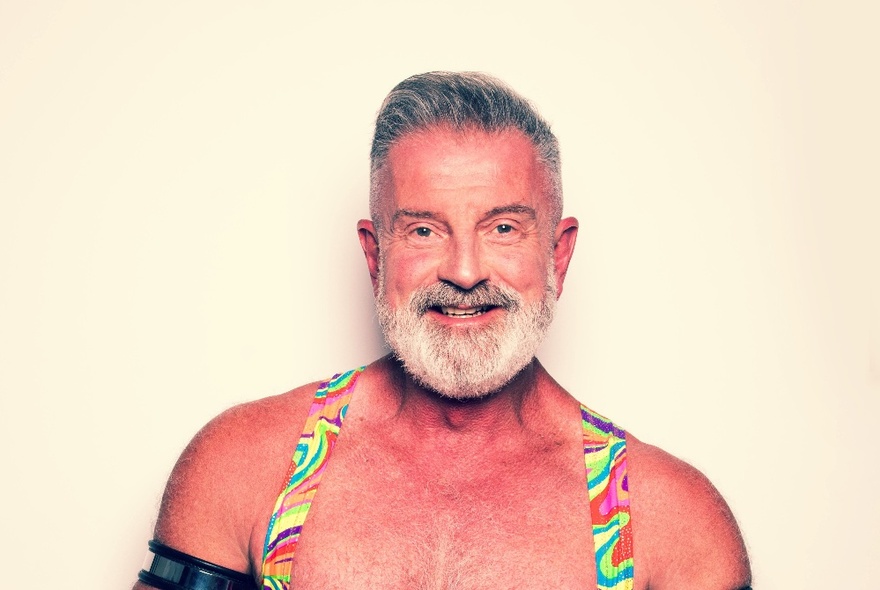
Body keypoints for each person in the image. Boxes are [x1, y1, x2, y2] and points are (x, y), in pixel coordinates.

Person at [135, 71, 751, 590]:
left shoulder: (669, 522)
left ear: (557, 256)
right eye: (423, 230)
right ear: (375, 256)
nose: (463, 271)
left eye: (503, 228)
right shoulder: (246, 468)